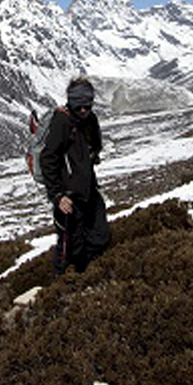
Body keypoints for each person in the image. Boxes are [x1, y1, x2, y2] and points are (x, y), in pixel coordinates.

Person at [39, 76, 111, 274]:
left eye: (86, 106)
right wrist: (58, 195)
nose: (83, 111)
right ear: (70, 102)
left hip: (88, 190)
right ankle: (61, 287)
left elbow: (95, 146)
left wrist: (90, 157)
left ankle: (88, 276)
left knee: (99, 236)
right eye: (78, 106)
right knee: (69, 247)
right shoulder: (61, 121)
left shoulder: (90, 119)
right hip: (68, 197)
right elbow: (47, 159)